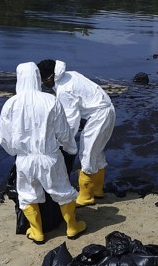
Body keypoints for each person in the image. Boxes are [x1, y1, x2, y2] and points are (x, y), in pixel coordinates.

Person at [0, 62, 87, 243]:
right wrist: (71, 149)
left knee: (27, 194)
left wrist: (16, 153)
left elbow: (4, 139)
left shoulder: (10, 104)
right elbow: (64, 132)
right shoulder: (50, 101)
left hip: (25, 159)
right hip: (50, 157)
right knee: (62, 191)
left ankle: (37, 231)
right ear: (38, 78)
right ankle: (72, 227)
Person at [37, 59, 116, 207]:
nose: (44, 85)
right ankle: (97, 190)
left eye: (44, 82)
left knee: (87, 153)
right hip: (105, 111)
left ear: (50, 77)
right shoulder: (69, 75)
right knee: (96, 152)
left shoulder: (65, 90)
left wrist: (63, 143)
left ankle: (85, 196)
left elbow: (71, 121)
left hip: (99, 116)